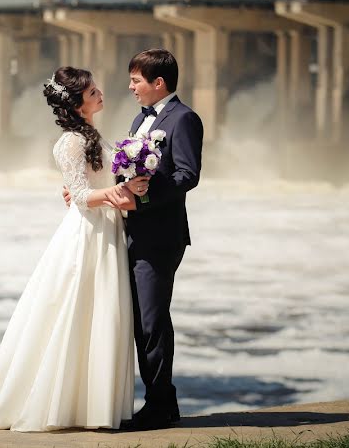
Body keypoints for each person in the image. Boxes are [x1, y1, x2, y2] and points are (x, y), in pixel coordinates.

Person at [0, 66, 148, 432]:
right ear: (76, 101)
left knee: (103, 314)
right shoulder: (70, 142)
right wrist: (117, 194)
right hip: (89, 235)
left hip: (107, 228)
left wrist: (131, 185)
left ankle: (91, 407)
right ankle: (60, 405)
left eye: (97, 88)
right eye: (92, 90)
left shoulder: (91, 134)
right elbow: (81, 196)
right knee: (80, 313)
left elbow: (88, 186)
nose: (100, 93)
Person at [118, 48, 203, 431]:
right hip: (134, 231)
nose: (131, 87)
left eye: (136, 80)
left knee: (152, 321)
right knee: (141, 321)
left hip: (161, 235)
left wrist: (144, 196)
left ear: (159, 83)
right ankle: (160, 403)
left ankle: (160, 406)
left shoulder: (184, 119)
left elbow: (187, 174)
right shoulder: (141, 118)